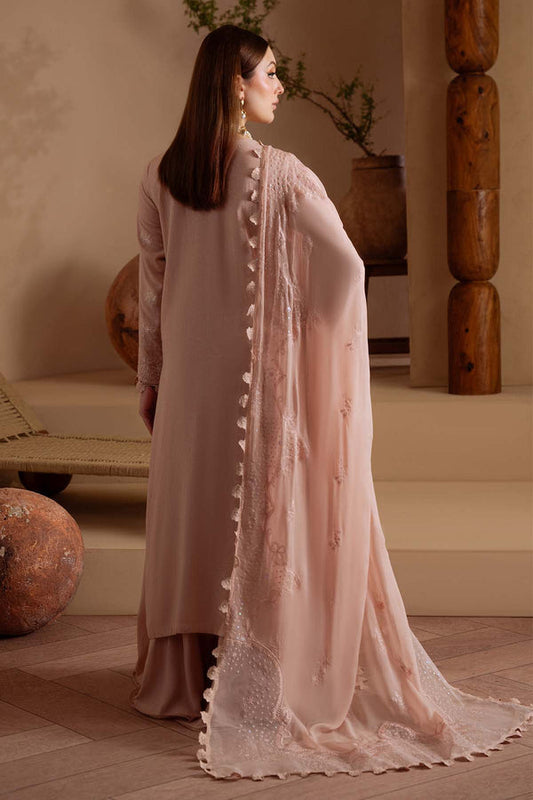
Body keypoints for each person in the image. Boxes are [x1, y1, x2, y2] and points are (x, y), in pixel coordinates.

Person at [130, 24, 533, 781]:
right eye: (270, 74)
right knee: (257, 515)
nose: (279, 86)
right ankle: (268, 677)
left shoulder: (160, 174)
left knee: (194, 515)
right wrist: (306, 340)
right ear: (236, 86)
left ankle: (185, 678)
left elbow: (154, 289)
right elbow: (347, 268)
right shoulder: (282, 175)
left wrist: (150, 379)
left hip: (188, 383)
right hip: (258, 381)